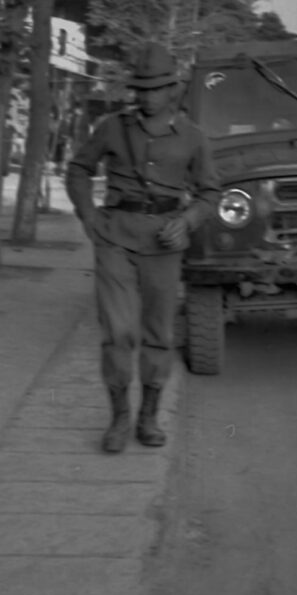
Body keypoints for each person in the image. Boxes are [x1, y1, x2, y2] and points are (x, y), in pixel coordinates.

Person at [66, 41, 220, 454]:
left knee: (159, 334)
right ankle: (118, 418)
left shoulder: (193, 137)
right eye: (141, 88)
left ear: (174, 89)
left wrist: (186, 221)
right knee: (118, 332)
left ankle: (148, 416)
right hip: (115, 238)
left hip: (164, 245)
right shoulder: (113, 127)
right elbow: (79, 168)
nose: (147, 96)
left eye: (156, 88)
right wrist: (89, 216)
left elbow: (210, 193)